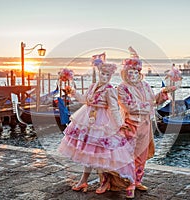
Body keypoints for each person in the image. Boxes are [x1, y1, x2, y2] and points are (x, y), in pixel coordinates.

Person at [58, 53, 135, 194]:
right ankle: (83, 181)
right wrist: (72, 92)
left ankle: (104, 182)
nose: (104, 77)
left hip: (102, 122)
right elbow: (84, 100)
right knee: (88, 152)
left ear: (110, 76)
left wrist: (119, 124)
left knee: (100, 153)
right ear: (99, 73)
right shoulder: (93, 86)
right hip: (87, 119)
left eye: (107, 75)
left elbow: (114, 108)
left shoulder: (110, 89)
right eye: (103, 74)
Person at [117, 47, 175, 198]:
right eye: (131, 72)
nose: (134, 75)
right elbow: (129, 107)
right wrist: (148, 105)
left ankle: (137, 181)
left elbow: (154, 101)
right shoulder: (122, 88)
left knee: (141, 156)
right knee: (129, 155)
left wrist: (163, 93)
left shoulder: (146, 86)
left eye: (137, 72)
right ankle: (129, 184)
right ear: (125, 73)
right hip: (130, 125)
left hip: (145, 125)